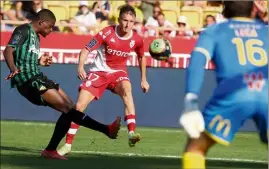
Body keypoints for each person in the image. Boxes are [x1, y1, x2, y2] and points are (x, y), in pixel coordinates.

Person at [3, 9, 121, 160]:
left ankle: (50, 150)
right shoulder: (23, 30)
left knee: (70, 107)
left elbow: (25, 57)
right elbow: (8, 50)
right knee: (66, 108)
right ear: (41, 22)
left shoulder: (36, 37)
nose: (51, 30)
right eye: (50, 26)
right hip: (28, 80)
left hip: (38, 77)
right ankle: (106, 130)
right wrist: (13, 69)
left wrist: (40, 61)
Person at [179, 1, 268, 169]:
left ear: (224, 10)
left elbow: (197, 61)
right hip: (267, 92)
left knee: (196, 147)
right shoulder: (265, 30)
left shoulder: (214, 31)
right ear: (253, 10)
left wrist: (191, 99)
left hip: (233, 93)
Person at [57, 4, 150, 156]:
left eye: (131, 21)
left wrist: (143, 79)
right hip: (99, 72)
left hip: (118, 73)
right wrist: (80, 66)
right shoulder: (107, 32)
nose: (128, 24)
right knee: (79, 106)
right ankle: (67, 144)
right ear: (119, 19)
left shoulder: (137, 40)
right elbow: (86, 48)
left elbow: (141, 57)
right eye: (125, 20)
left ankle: (132, 133)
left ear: (135, 22)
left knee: (127, 91)